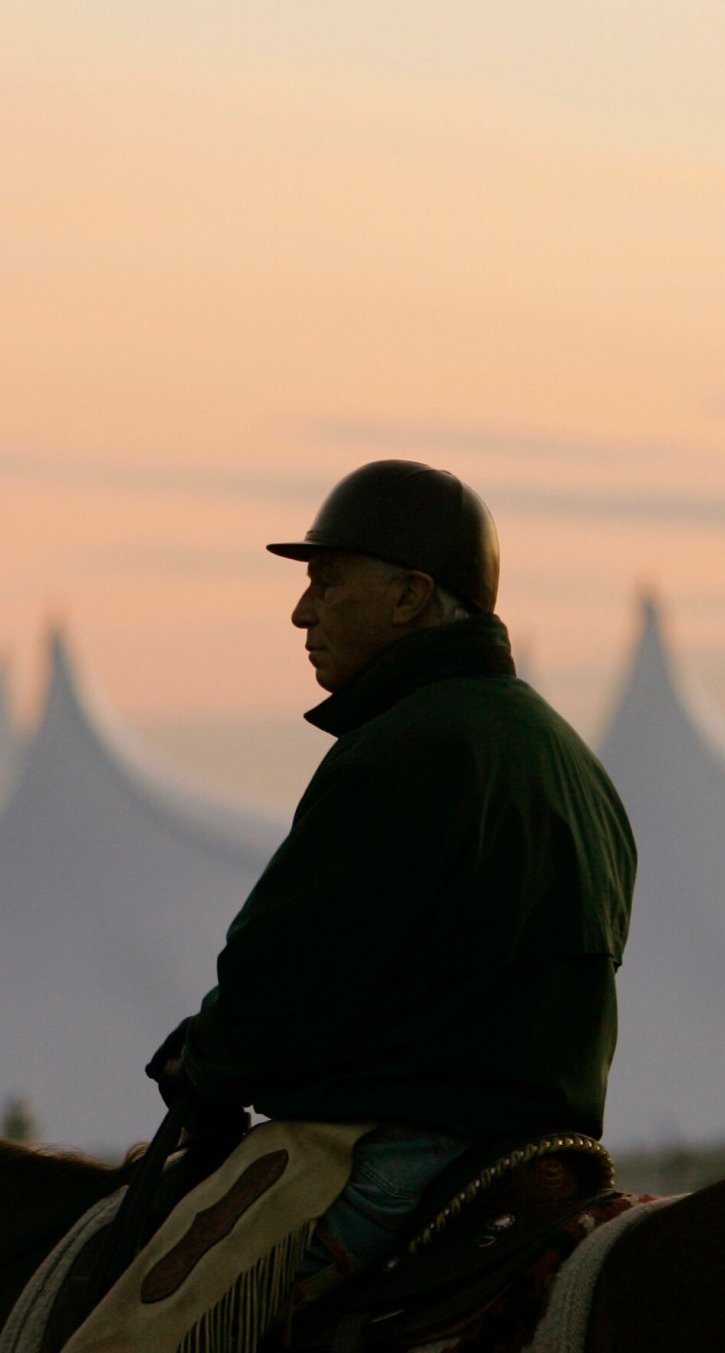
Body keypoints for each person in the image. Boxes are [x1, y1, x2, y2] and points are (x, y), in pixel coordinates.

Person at [146, 459, 638, 1283]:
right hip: (545, 1151)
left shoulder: (407, 749)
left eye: (328, 582)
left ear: (411, 596)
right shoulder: (566, 756)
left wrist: (201, 1067)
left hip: (402, 1162)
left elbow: (288, 979)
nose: (301, 612)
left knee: (132, 1329)